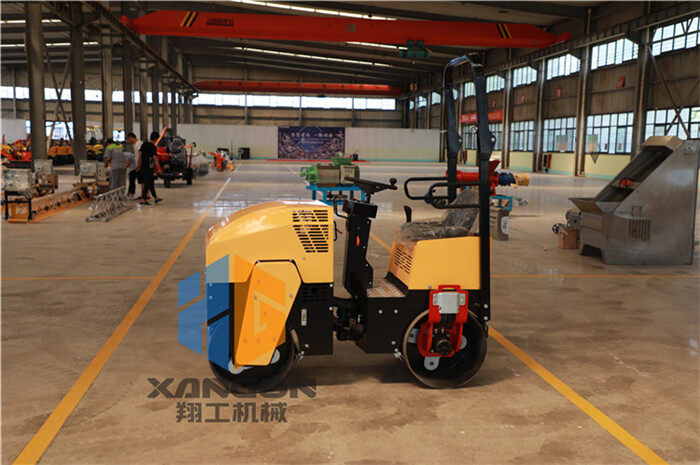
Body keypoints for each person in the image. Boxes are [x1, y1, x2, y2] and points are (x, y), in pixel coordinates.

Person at [137, 131, 162, 206]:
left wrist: (138, 165)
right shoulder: (152, 146)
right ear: (156, 139)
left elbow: (140, 155)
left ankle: (156, 198)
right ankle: (143, 199)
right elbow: (155, 158)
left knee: (151, 183)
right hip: (149, 167)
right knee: (147, 183)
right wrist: (159, 168)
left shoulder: (144, 144)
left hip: (143, 166)